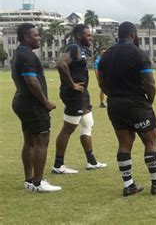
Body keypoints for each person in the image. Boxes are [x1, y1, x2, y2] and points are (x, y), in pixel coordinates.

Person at [98, 21, 156, 196]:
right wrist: (150, 99)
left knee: (124, 144)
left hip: (115, 105)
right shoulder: (138, 53)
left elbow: (101, 83)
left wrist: (114, 96)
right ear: (133, 34)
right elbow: (150, 82)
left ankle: (129, 185)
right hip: (137, 105)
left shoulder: (106, 55)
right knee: (151, 141)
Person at [11, 23, 61, 192]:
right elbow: (32, 82)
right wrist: (46, 102)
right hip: (33, 104)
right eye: (36, 35)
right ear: (26, 37)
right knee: (42, 140)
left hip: (21, 101)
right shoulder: (27, 56)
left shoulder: (20, 53)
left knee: (29, 141)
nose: (39, 37)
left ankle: (29, 179)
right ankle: (38, 183)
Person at [53, 24, 107, 175]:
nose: (91, 38)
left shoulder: (80, 49)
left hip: (82, 94)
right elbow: (60, 64)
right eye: (88, 35)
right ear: (78, 36)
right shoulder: (73, 48)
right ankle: (58, 165)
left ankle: (92, 162)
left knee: (88, 123)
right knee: (68, 128)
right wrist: (72, 85)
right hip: (73, 94)